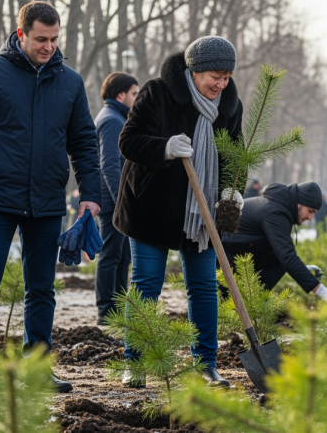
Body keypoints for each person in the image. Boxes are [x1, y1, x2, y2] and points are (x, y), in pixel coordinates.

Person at [0, 1, 102, 393]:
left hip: (47, 201)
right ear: (21, 34)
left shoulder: (70, 82)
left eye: (54, 39)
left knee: (42, 288)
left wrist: (90, 194)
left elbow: (83, 141)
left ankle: (37, 370)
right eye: (41, 39)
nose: (49, 46)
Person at [113, 36, 244, 388]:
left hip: (200, 214)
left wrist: (233, 190)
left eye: (227, 77)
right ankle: (135, 363)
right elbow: (128, 141)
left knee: (203, 287)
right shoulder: (157, 92)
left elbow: (236, 156)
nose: (221, 84)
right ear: (194, 71)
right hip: (151, 206)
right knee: (146, 283)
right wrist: (165, 147)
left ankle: (205, 364)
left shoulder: (229, 105)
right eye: (215, 77)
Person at [220, 182, 327, 308]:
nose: (310, 217)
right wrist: (321, 290)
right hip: (221, 255)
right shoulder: (275, 212)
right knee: (224, 303)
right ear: (299, 203)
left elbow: (280, 253)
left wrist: (302, 270)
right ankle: (245, 305)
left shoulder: (279, 207)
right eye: (310, 211)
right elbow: (287, 256)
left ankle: (253, 305)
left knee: (279, 261)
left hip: (237, 252)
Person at [94, 71, 138, 325]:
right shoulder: (111, 120)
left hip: (116, 199)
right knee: (111, 255)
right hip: (113, 201)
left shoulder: (116, 117)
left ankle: (117, 309)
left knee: (122, 256)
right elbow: (109, 164)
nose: (136, 98)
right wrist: (121, 200)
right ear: (120, 95)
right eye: (134, 93)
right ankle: (106, 311)